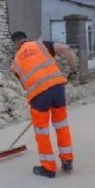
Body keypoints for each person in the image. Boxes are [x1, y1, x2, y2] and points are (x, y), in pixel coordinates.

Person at [10, 31, 78, 178]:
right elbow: (66, 49)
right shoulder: (41, 45)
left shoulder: (15, 62)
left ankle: (49, 168)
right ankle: (67, 161)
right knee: (62, 126)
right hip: (57, 89)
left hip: (38, 96)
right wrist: (73, 70)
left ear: (16, 43)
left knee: (42, 132)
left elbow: (25, 84)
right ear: (26, 39)